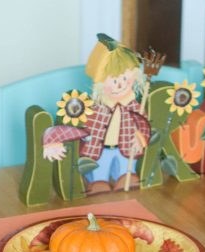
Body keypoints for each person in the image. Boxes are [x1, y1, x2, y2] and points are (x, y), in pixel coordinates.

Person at [42, 33, 151, 193]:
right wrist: (52, 140)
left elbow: (143, 123)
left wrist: (140, 138)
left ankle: (125, 176)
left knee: (127, 174)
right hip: (100, 151)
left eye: (126, 80)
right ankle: (98, 181)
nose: (121, 85)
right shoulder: (93, 109)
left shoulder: (133, 104)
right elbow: (75, 127)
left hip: (126, 150)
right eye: (114, 80)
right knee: (100, 178)